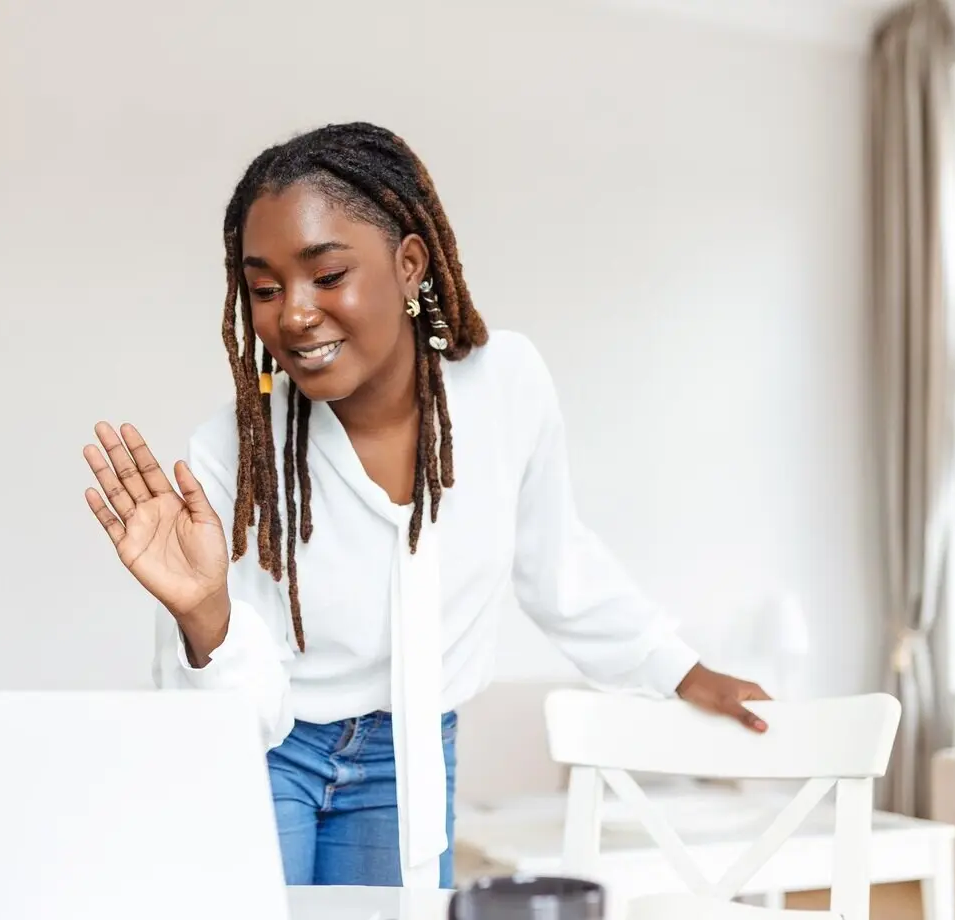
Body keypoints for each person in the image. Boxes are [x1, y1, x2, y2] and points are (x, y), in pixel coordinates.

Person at [83, 122, 770, 891]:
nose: (294, 314)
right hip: (273, 751)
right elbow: (226, 723)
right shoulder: (230, 454)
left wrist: (678, 668)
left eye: (327, 274)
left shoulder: (506, 385)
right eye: (266, 288)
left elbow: (557, 564)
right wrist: (204, 614)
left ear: (409, 265)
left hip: (410, 755)